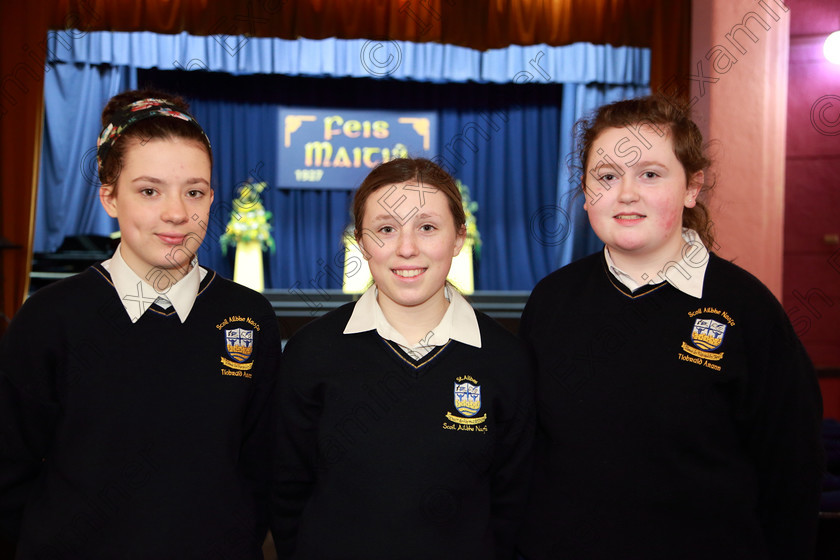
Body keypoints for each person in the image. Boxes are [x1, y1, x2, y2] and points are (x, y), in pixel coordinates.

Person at [517, 95, 824, 560]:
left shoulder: (747, 309)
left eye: (650, 174)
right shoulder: (551, 301)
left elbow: (792, 474)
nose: (626, 193)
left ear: (691, 187)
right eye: (606, 176)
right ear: (584, 192)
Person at [0, 89, 282, 558]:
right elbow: (10, 475)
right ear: (109, 197)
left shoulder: (250, 318)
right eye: (149, 191)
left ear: (211, 197)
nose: (176, 213)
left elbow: (265, 470)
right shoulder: (50, 320)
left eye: (193, 192)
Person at [271, 157, 534, 559]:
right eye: (386, 229)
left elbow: (513, 505)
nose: (406, 248)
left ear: (459, 238)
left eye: (427, 227)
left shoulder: (505, 361)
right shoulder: (311, 353)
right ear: (361, 241)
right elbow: (287, 493)